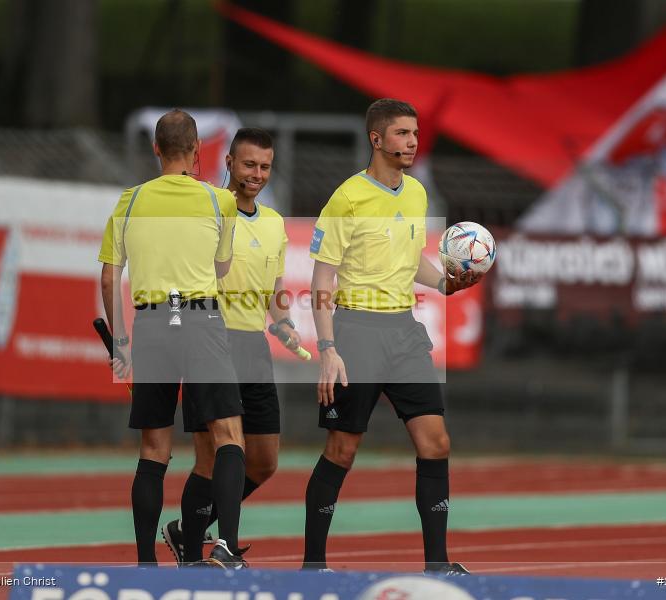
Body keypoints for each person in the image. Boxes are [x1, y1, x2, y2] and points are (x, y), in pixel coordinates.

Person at [303, 98, 480, 574]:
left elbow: (412, 258)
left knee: (436, 442)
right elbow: (322, 279)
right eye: (403, 133)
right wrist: (328, 349)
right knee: (342, 449)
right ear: (376, 139)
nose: (413, 141)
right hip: (355, 331)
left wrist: (444, 283)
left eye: (415, 133)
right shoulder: (347, 198)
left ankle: (437, 565)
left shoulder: (417, 193)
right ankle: (313, 567)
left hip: (404, 331)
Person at [97, 109, 248, 569]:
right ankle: (225, 547)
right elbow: (222, 267)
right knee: (228, 437)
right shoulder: (219, 201)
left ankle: (146, 564)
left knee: (153, 449)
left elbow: (109, 278)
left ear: (156, 148)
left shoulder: (130, 201)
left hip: (152, 323)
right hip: (199, 319)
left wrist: (121, 342)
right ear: (197, 149)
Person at [161, 128, 301, 566]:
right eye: (249, 165)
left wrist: (284, 323)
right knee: (216, 455)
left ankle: (187, 531)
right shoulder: (209, 212)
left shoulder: (274, 223)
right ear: (229, 163)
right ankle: (211, 551)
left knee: (264, 461)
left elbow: (275, 287)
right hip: (210, 340)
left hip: (254, 347)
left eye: (265, 166)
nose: (257, 174)